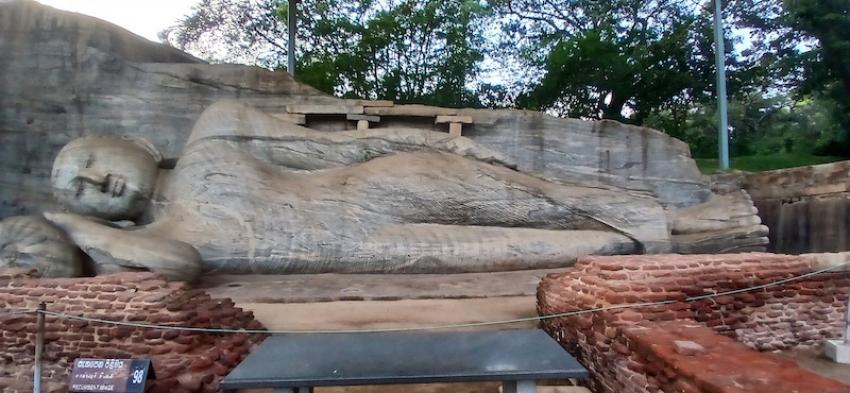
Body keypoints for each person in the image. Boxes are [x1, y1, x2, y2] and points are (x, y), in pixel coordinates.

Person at [34, 100, 673, 280]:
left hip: (385, 189)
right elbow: (183, 265)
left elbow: (341, 147)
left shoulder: (215, 133)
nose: (94, 182)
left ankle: (685, 225)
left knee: (548, 201)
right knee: (575, 248)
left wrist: (448, 144)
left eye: (88, 161)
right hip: (378, 249)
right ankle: (669, 244)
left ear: (135, 143)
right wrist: (72, 230)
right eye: (79, 194)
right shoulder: (160, 241)